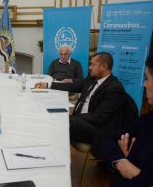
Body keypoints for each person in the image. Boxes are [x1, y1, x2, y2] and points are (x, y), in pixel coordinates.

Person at [35, 52, 126, 155]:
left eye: (93, 64)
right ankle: (50, 153)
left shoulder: (114, 88)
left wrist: (71, 117)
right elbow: (75, 86)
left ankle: (49, 155)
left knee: (60, 120)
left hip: (96, 130)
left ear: (104, 67)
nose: (89, 67)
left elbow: (98, 118)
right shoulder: (92, 78)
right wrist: (49, 85)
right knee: (53, 114)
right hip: (79, 121)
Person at [99, 55, 153, 186]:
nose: (144, 84)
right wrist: (122, 162)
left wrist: (139, 175)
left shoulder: (114, 86)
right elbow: (110, 140)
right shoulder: (147, 119)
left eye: (147, 78)